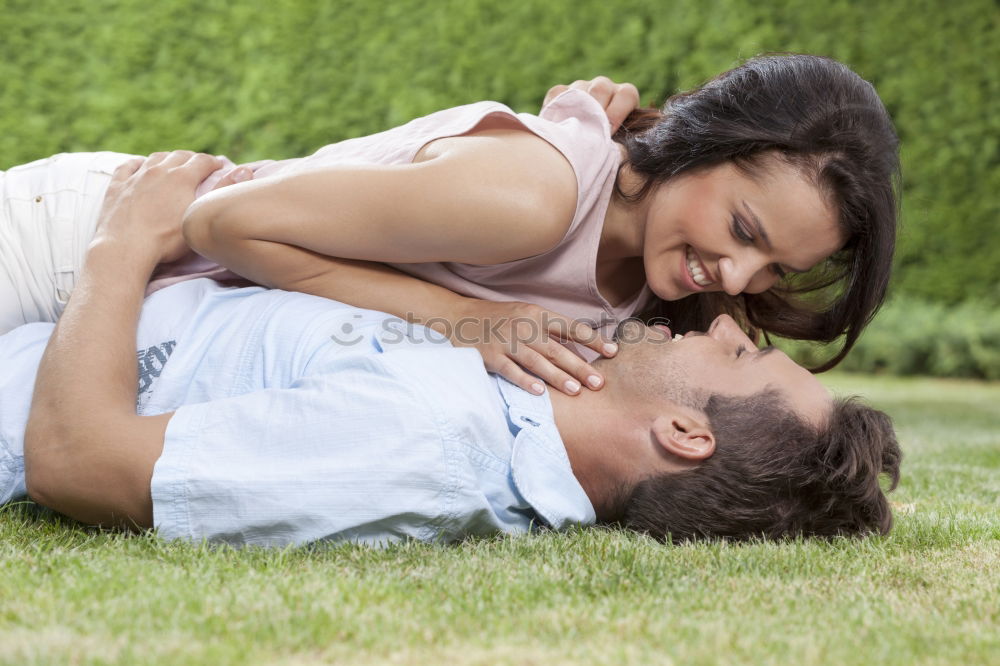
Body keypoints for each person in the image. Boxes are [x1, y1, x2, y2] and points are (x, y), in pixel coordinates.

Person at [5, 152, 902, 546]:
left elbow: (78, 464)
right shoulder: (526, 397)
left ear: (683, 432)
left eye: (739, 358)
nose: (723, 320)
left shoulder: (427, 442)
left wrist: (118, 246)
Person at [0, 53, 900, 399]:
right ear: (703, 139)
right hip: (86, 242)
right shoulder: (532, 199)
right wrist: (464, 321)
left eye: (774, 267)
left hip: (142, 325)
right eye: (743, 227)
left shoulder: (652, 291)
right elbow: (225, 224)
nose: (737, 279)